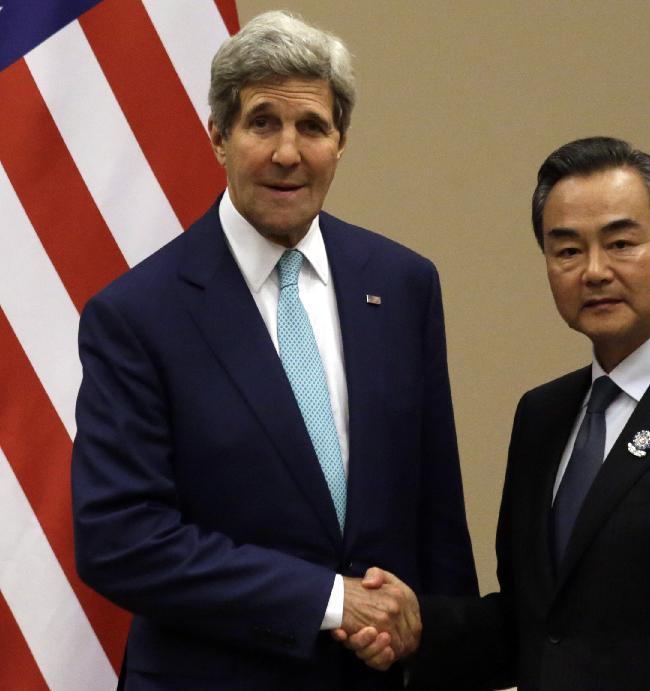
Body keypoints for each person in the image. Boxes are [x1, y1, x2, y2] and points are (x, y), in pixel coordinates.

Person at [71, 11, 477, 690]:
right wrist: (329, 600)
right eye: (263, 123)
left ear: (341, 142)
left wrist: (440, 646)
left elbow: (437, 516)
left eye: (312, 126)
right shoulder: (137, 315)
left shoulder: (402, 284)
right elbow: (122, 538)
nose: (288, 153)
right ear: (218, 136)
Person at [347, 136, 650, 689]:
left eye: (621, 243)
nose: (595, 271)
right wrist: (416, 626)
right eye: (568, 251)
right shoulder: (543, 415)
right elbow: (539, 626)